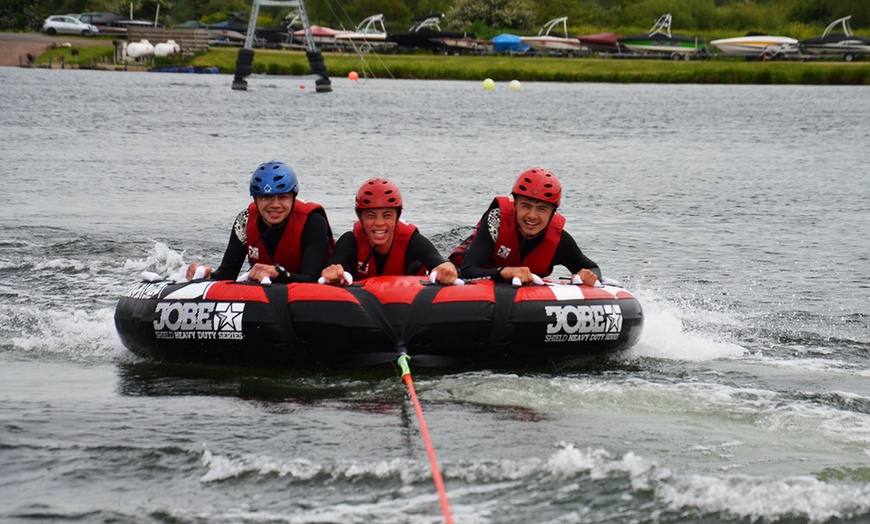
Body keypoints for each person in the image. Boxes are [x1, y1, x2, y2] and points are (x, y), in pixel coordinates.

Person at [186, 161, 334, 283]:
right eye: (266, 197)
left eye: (282, 197)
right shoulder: (244, 220)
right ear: (255, 199)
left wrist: (279, 274)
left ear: (293, 198)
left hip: (310, 291)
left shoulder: (313, 221)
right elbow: (227, 274)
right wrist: (206, 276)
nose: (275, 205)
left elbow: (312, 279)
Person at [449, 167, 601, 286]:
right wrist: (504, 272)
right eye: (525, 206)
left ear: (552, 212)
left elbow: (593, 268)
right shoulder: (495, 223)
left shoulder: (560, 241)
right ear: (514, 205)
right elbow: (467, 271)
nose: (532, 216)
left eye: (542, 209)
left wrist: (587, 275)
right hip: (465, 276)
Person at [320, 178, 459, 285]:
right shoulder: (349, 241)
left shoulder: (413, 241)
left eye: (387, 215)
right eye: (370, 216)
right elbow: (333, 266)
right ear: (360, 218)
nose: (379, 223)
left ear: (397, 217)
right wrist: (332, 273)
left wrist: (448, 268)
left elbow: (439, 262)